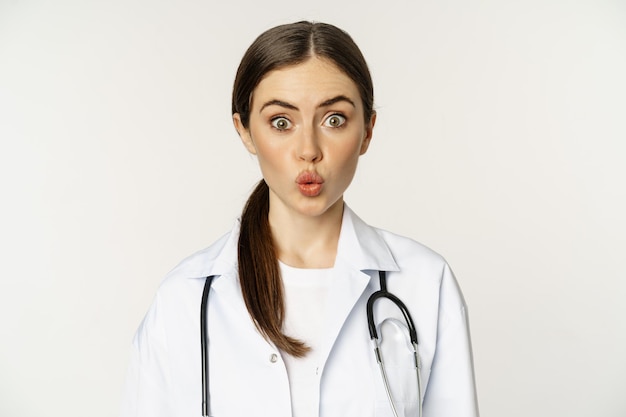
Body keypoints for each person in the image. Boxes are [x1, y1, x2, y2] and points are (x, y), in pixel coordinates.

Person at [120, 21, 479, 417]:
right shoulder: (184, 299)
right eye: (281, 122)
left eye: (334, 119)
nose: (308, 149)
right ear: (245, 131)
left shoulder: (425, 282)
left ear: (367, 131)